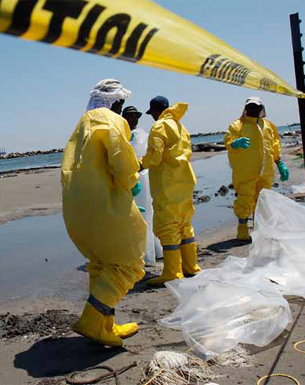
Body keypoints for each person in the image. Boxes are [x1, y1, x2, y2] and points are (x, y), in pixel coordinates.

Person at [62, 79, 147, 347]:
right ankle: (91, 321)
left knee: (101, 265)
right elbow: (121, 161)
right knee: (128, 265)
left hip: (77, 209)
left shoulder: (82, 124)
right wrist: (132, 184)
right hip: (105, 207)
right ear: (117, 102)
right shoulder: (111, 121)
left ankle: (105, 325)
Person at [140, 96, 201, 286]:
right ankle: (191, 267)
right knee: (184, 224)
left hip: (168, 183)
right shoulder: (180, 126)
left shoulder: (159, 127)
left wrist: (139, 164)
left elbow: (155, 156)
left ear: (157, 110)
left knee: (167, 226)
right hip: (184, 181)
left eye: (152, 113)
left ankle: (173, 272)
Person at [224, 97, 289, 241]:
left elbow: (274, 145)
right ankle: (242, 230)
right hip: (246, 172)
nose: (253, 109)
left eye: (256, 107)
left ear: (262, 108)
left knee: (263, 201)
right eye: (251, 107)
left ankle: (262, 230)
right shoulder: (237, 125)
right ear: (246, 108)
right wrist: (235, 144)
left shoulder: (269, 126)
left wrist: (279, 163)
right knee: (244, 200)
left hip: (266, 172)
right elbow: (228, 141)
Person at [123, 106, 163, 266]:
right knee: (133, 216)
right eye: (129, 116)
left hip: (144, 178)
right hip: (128, 179)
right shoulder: (122, 135)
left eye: (135, 116)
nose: (133, 119)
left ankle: (150, 252)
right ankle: (139, 252)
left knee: (147, 214)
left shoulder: (143, 135)